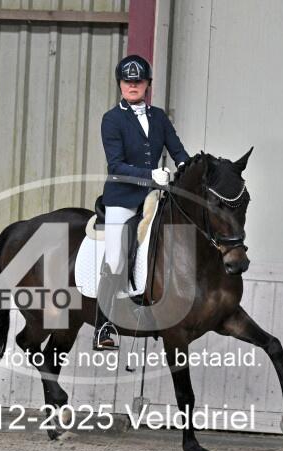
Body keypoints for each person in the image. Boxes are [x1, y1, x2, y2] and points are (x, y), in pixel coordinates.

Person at [93, 54, 190, 350]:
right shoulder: (112, 119)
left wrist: (188, 168)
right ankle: (103, 325)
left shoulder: (159, 117)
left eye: (138, 81)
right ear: (120, 84)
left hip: (154, 197)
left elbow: (178, 151)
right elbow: (116, 166)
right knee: (115, 258)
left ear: (147, 84)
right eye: (127, 81)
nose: (132, 86)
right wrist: (151, 175)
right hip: (122, 198)